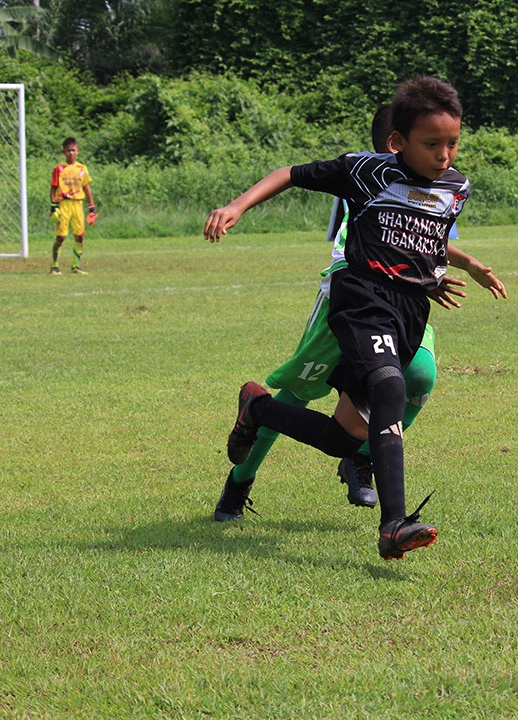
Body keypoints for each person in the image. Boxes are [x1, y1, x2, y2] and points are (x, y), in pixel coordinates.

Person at [205, 75, 499, 560]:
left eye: (452, 143)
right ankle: (394, 524)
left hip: (409, 308)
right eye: (432, 144)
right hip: (361, 296)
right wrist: (236, 206)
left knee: (344, 438)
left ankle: (258, 409)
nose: (444, 155)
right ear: (398, 142)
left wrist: (434, 273)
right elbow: (290, 173)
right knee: (390, 386)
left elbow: (422, 234)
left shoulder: (457, 187)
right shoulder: (366, 171)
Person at [50, 137, 96, 275]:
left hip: (77, 205)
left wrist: (92, 206)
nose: (71, 153)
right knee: (61, 237)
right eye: (68, 150)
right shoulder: (59, 168)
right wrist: (53, 205)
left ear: (77, 151)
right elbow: (53, 187)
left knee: (79, 236)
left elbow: (86, 187)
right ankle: (54, 266)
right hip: (64, 205)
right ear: (64, 152)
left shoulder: (82, 168)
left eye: (73, 150)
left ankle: (76, 266)